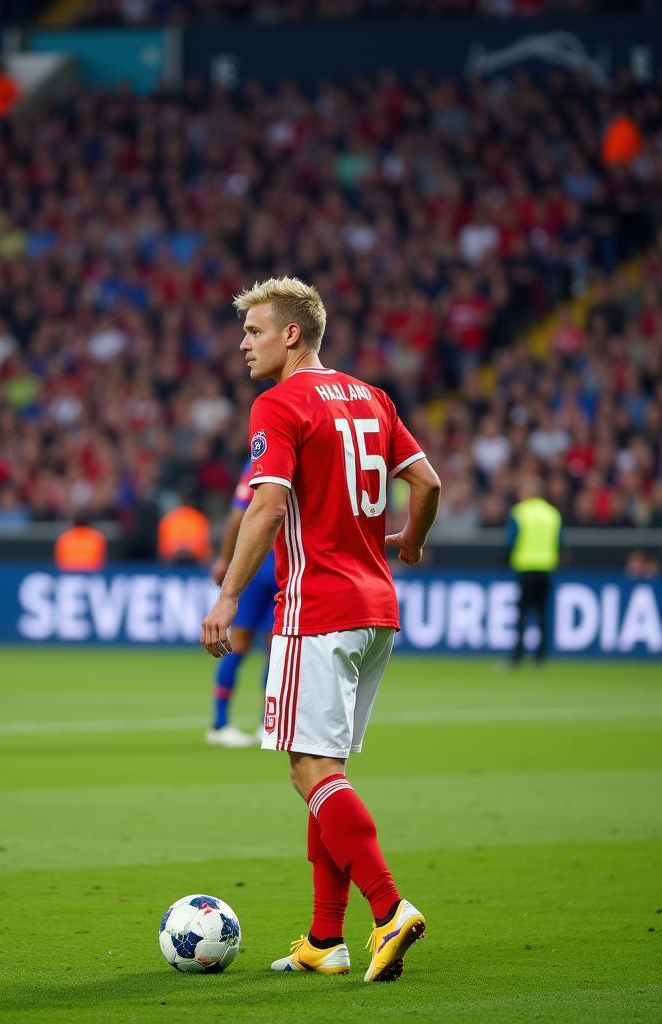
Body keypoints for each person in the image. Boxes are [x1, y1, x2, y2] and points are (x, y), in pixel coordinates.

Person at [200, 277, 441, 982]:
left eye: (255, 331)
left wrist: (227, 596)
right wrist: (414, 544)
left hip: (317, 610)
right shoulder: (374, 397)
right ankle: (322, 940)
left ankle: (390, 908)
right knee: (326, 770)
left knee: (309, 771)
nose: (244, 343)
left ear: (292, 335)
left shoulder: (278, 404)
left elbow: (268, 507)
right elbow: (426, 484)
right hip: (377, 609)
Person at [205, 458, 276, 748]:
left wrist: (225, 559)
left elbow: (237, 516)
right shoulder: (303, 457)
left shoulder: (260, 462)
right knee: (278, 649)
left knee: (240, 644)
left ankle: (221, 723)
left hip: (254, 564)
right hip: (286, 564)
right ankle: (266, 723)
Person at [507, 477, 563, 667]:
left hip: (526, 568)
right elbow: (560, 543)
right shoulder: (553, 514)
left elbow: (511, 540)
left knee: (522, 615)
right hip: (546, 568)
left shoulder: (520, 512)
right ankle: (540, 658)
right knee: (542, 614)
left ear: (529, 493)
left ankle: (517, 657)